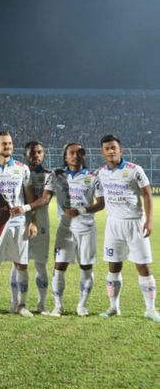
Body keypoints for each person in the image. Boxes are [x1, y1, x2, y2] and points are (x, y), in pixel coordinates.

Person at [29, 143, 103, 317]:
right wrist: (25, 207)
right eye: (71, 153)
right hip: (65, 230)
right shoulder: (56, 176)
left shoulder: (93, 177)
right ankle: (58, 306)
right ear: (65, 156)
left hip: (86, 230)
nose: (75, 155)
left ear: (84, 155)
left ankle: (82, 306)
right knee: (59, 267)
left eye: (79, 153)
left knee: (86, 268)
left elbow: (101, 203)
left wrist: (82, 210)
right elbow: (45, 198)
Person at [94, 135, 159, 321]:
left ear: (121, 150)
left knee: (143, 266)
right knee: (113, 266)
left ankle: (150, 309)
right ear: (102, 152)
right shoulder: (101, 173)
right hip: (113, 224)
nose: (111, 151)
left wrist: (149, 220)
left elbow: (147, 194)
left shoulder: (134, 170)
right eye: (107, 148)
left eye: (114, 147)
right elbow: (99, 199)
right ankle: (113, 307)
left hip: (135, 223)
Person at [0, 131, 37, 317]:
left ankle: (21, 305)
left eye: (10, 143)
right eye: (4, 143)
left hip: (19, 223)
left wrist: (32, 221)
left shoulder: (22, 169)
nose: (8, 146)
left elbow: (30, 197)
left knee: (21, 264)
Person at [18, 141, 52, 314]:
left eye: (39, 152)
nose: (36, 156)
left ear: (44, 154)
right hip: (20, 221)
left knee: (41, 264)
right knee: (18, 264)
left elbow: (46, 199)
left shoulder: (49, 175)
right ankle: (15, 303)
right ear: (26, 155)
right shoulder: (18, 173)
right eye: (32, 153)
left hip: (42, 222)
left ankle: (42, 304)